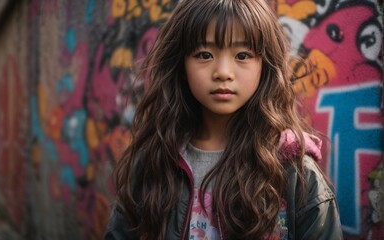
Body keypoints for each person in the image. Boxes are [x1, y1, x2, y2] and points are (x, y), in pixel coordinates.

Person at [105, 0, 342, 239]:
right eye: (204, 54)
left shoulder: (294, 172)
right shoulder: (154, 159)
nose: (224, 72)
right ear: (181, 65)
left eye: (242, 55)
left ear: (264, 65)